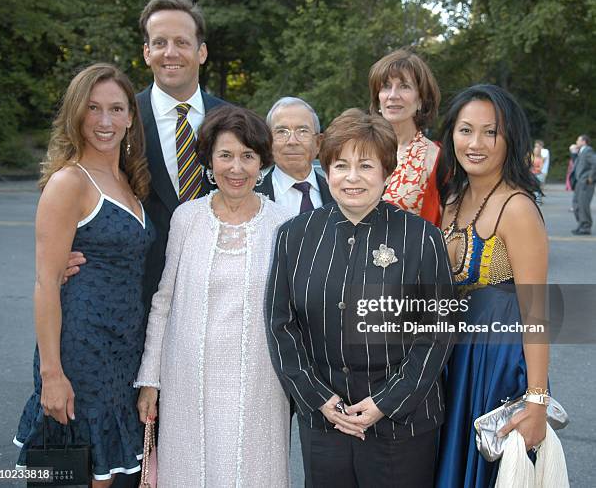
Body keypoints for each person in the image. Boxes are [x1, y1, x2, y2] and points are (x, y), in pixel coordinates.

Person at [267, 108, 454, 487]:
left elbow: (436, 332)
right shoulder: (294, 236)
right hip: (325, 423)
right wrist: (321, 400)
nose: (352, 178)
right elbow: (281, 326)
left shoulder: (421, 238)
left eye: (366, 166)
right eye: (341, 165)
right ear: (326, 170)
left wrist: (385, 403)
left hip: (404, 424)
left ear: (386, 171)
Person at [135, 105, 292, 487]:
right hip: (188, 380)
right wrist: (150, 380)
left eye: (247, 156)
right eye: (225, 155)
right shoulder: (186, 218)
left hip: (261, 383)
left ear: (262, 163)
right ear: (208, 159)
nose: (236, 168)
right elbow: (164, 301)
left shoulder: (282, 224)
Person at [14, 64, 154, 487]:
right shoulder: (69, 182)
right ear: (77, 114)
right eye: (93, 108)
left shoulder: (130, 182)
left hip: (124, 353)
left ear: (132, 116)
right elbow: (45, 284)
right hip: (81, 353)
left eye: (116, 108)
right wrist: (51, 375)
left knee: (113, 471)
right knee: (81, 473)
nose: (105, 121)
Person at [65, 0, 226, 314]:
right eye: (160, 42)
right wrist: (61, 250)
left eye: (182, 42)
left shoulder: (233, 121)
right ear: (146, 52)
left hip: (218, 296)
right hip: (134, 297)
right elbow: (73, 180)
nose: (170, 53)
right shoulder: (118, 119)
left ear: (201, 51)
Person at [436, 85, 549, 487]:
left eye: (491, 132)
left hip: (500, 369)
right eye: (466, 130)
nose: (476, 143)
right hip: (455, 364)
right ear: (452, 135)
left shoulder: (517, 208)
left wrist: (537, 402)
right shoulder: (451, 197)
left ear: (510, 138)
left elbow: (537, 312)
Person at [368, 49, 442, 225]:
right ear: (378, 99)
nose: (393, 95)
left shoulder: (434, 159)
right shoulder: (360, 148)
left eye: (404, 86)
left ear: (421, 100)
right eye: (386, 86)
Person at [259, 97, 333, 213]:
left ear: (318, 143)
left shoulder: (337, 193)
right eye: (282, 132)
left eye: (302, 131)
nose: (292, 141)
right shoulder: (251, 194)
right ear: (269, 142)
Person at [571, 134, 596, 235]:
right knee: (576, 204)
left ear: (584, 142)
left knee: (583, 205)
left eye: (578, 140)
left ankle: (586, 227)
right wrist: (573, 154)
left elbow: (595, 162)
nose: (576, 142)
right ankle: (581, 224)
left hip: (586, 183)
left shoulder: (587, 150)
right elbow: (577, 165)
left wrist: (591, 177)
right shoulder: (581, 152)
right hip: (579, 182)